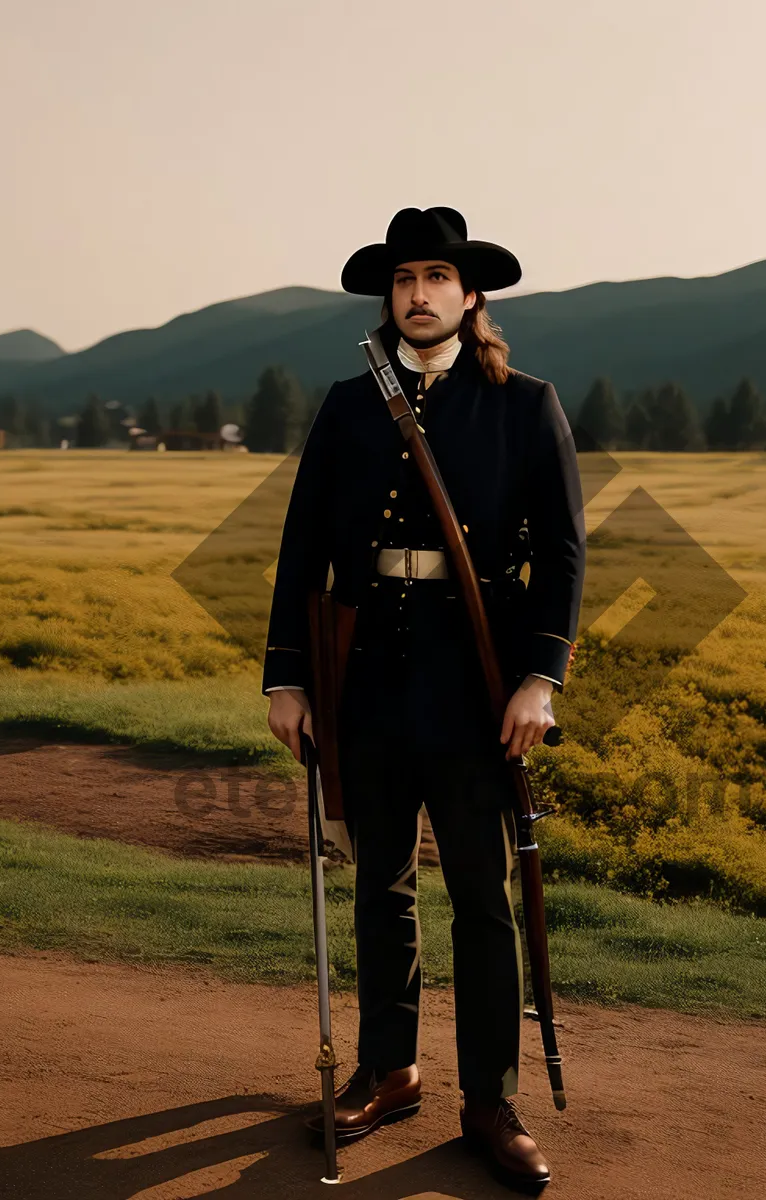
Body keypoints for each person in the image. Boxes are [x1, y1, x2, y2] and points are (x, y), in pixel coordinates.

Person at [263, 206, 585, 1190]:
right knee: (381, 886)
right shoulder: (347, 404)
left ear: (470, 294)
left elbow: (566, 551)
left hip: (474, 680)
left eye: (435, 278)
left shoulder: (523, 404)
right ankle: (391, 1069)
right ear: (389, 295)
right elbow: (302, 543)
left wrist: (542, 677)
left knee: (485, 902)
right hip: (367, 678)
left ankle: (488, 1097)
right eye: (403, 280)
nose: (417, 295)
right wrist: (289, 676)